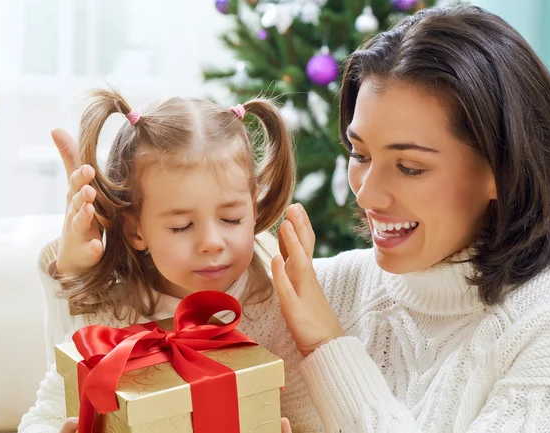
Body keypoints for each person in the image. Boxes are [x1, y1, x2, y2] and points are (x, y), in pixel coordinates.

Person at [273, 4, 550, 432]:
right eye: (360, 154)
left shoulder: (545, 327)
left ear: (501, 170)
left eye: (410, 167)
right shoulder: (327, 288)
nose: (366, 193)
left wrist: (327, 346)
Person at [18, 89, 323, 433]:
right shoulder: (112, 318)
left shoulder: (272, 309)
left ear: (253, 207)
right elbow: (43, 417)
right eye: (182, 226)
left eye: (232, 219)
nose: (211, 242)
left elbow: (312, 417)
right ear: (136, 229)